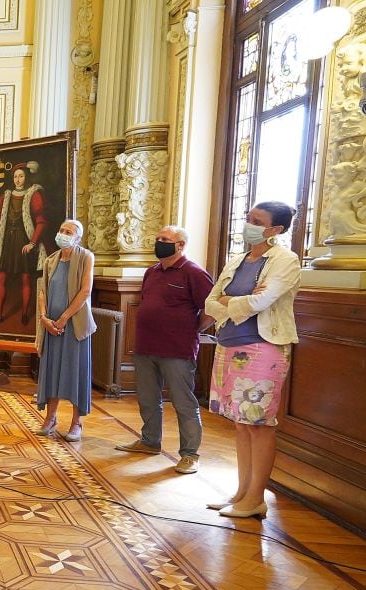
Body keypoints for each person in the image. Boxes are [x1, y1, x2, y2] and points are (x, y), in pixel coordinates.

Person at [204, 201, 301, 519]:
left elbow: (263, 301)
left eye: (257, 220)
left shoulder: (285, 260)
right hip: (228, 345)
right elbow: (210, 303)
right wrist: (238, 301)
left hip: (264, 348)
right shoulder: (238, 260)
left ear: (276, 230)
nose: (249, 224)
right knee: (241, 425)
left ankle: (256, 497)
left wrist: (231, 300)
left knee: (259, 425)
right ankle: (242, 493)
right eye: (249, 218)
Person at [115, 226, 214, 474]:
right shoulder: (152, 272)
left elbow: (211, 309)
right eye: (157, 238)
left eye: (165, 240)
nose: (159, 243)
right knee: (148, 399)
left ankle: (190, 454)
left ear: (180, 245)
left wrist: (191, 329)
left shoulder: (194, 273)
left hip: (177, 349)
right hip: (146, 346)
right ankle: (150, 441)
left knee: (183, 402)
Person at [33, 219, 96, 442]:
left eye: (68, 232)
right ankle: (50, 418)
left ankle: (76, 423)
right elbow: (42, 291)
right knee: (51, 372)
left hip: (74, 327)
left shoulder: (86, 257)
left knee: (75, 372)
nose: (63, 234)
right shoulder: (51, 260)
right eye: (61, 230)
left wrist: (63, 319)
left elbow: (85, 290)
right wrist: (44, 318)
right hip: (51, 326)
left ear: (78, 237)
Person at [0, 162, 47, 326]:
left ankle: (25, 314)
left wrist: (32, 243)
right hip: (6, 241)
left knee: (26, 279)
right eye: (15, 176)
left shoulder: (34, 194)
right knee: (1, 278)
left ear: (26, 177)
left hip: (23, 240)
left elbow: (41, 222)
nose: (18, 179)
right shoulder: (5, 196)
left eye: (21, 176)